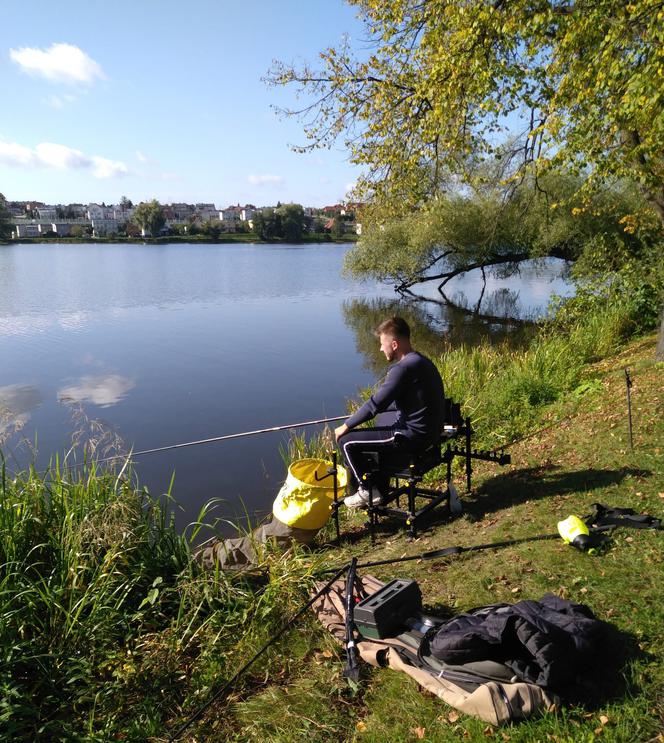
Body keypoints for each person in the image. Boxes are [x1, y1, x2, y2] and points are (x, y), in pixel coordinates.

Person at [335, 317, 445, 508]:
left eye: (382, 344)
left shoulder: (402, 369)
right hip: (430, 434)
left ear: (394, 344)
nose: (380, 349)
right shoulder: (421, 361)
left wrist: (346, 425)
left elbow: (374, 405)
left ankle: (368, 490)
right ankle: (380, 488)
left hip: (412, 437)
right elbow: (395, 403)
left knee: (346, 441)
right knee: (382, 421)